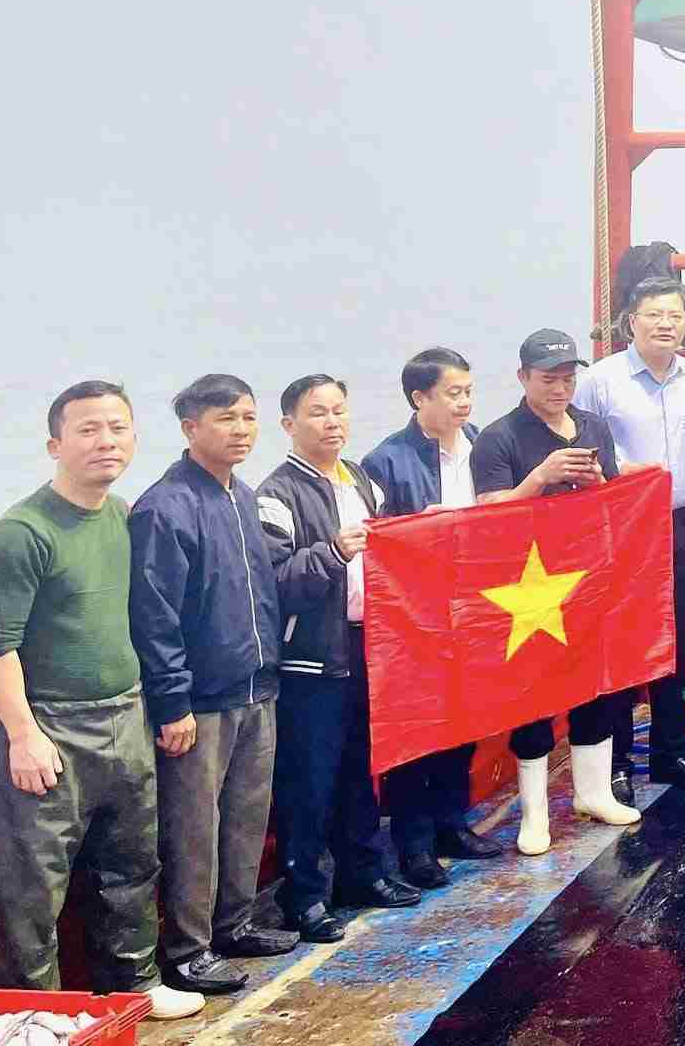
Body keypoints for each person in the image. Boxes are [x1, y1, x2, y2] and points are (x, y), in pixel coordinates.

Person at [0, 382, 203, 1020]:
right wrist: (23, 735)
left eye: (118, 428)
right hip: (51, 726)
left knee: (131, 865)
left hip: (125, 716)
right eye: (88, 430)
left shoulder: (122, 515)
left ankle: (135, 987)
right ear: (55, 445)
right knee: (32, 885)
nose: (106, 442)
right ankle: (32, 1013)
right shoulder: (18, 534)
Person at [129, 374, 294, 996]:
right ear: (190, 428)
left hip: (257, 689)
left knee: (246, 818)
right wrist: (172, 702)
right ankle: (187, 950)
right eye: (225, 418)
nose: (241, 429)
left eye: (248, 417)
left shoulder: (242, 496)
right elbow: (154, 617)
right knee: (194, 830)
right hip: (199, 703)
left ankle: (235, 924)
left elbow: (261, 593)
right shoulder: (164, 508)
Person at [257, 376, 420, 945]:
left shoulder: (361, 480)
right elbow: (274, 583)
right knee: (308, 781)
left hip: (366, 646)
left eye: (339, 411)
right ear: (289, 425)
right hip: (310, 660)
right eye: (318, 413)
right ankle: (303, 897)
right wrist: (332, 552)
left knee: (359, 769)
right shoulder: (275, 495)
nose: (332, 422)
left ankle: (362, 874)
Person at [472, 329, 640, 853]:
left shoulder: (592, 426)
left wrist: (597, 485)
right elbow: (486, 514)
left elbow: (612, 496)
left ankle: (594, 793)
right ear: (523, 378)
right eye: (549, 379)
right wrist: (539, 478)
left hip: (587, 579)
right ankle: (535, 812)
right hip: (528, 587)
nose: (560, 388)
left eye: (568, 378)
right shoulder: (499, 437)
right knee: (534, 694)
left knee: (597, 684)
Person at [362, 347, 504, 890]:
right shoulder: (386, 460)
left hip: (474, 608)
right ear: (419, 398)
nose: (464, 402)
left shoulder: (481, 445)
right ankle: (414, 844)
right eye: (452, 393)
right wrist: (421, 528)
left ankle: (452, 823)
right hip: (415, 618)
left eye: (468, 391)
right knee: (417, 730)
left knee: (464, 722)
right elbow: (378, 542)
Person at [575, 278, 685, 790]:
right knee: (621, 641)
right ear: (631, 322)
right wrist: (628, 476)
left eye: (675, 316)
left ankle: (670, 755)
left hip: (681, 520)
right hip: (622, 527)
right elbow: (586, 450)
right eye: (654, 315)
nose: (665, 324)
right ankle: (617, 763)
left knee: (678, 637)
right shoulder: (600, 380)